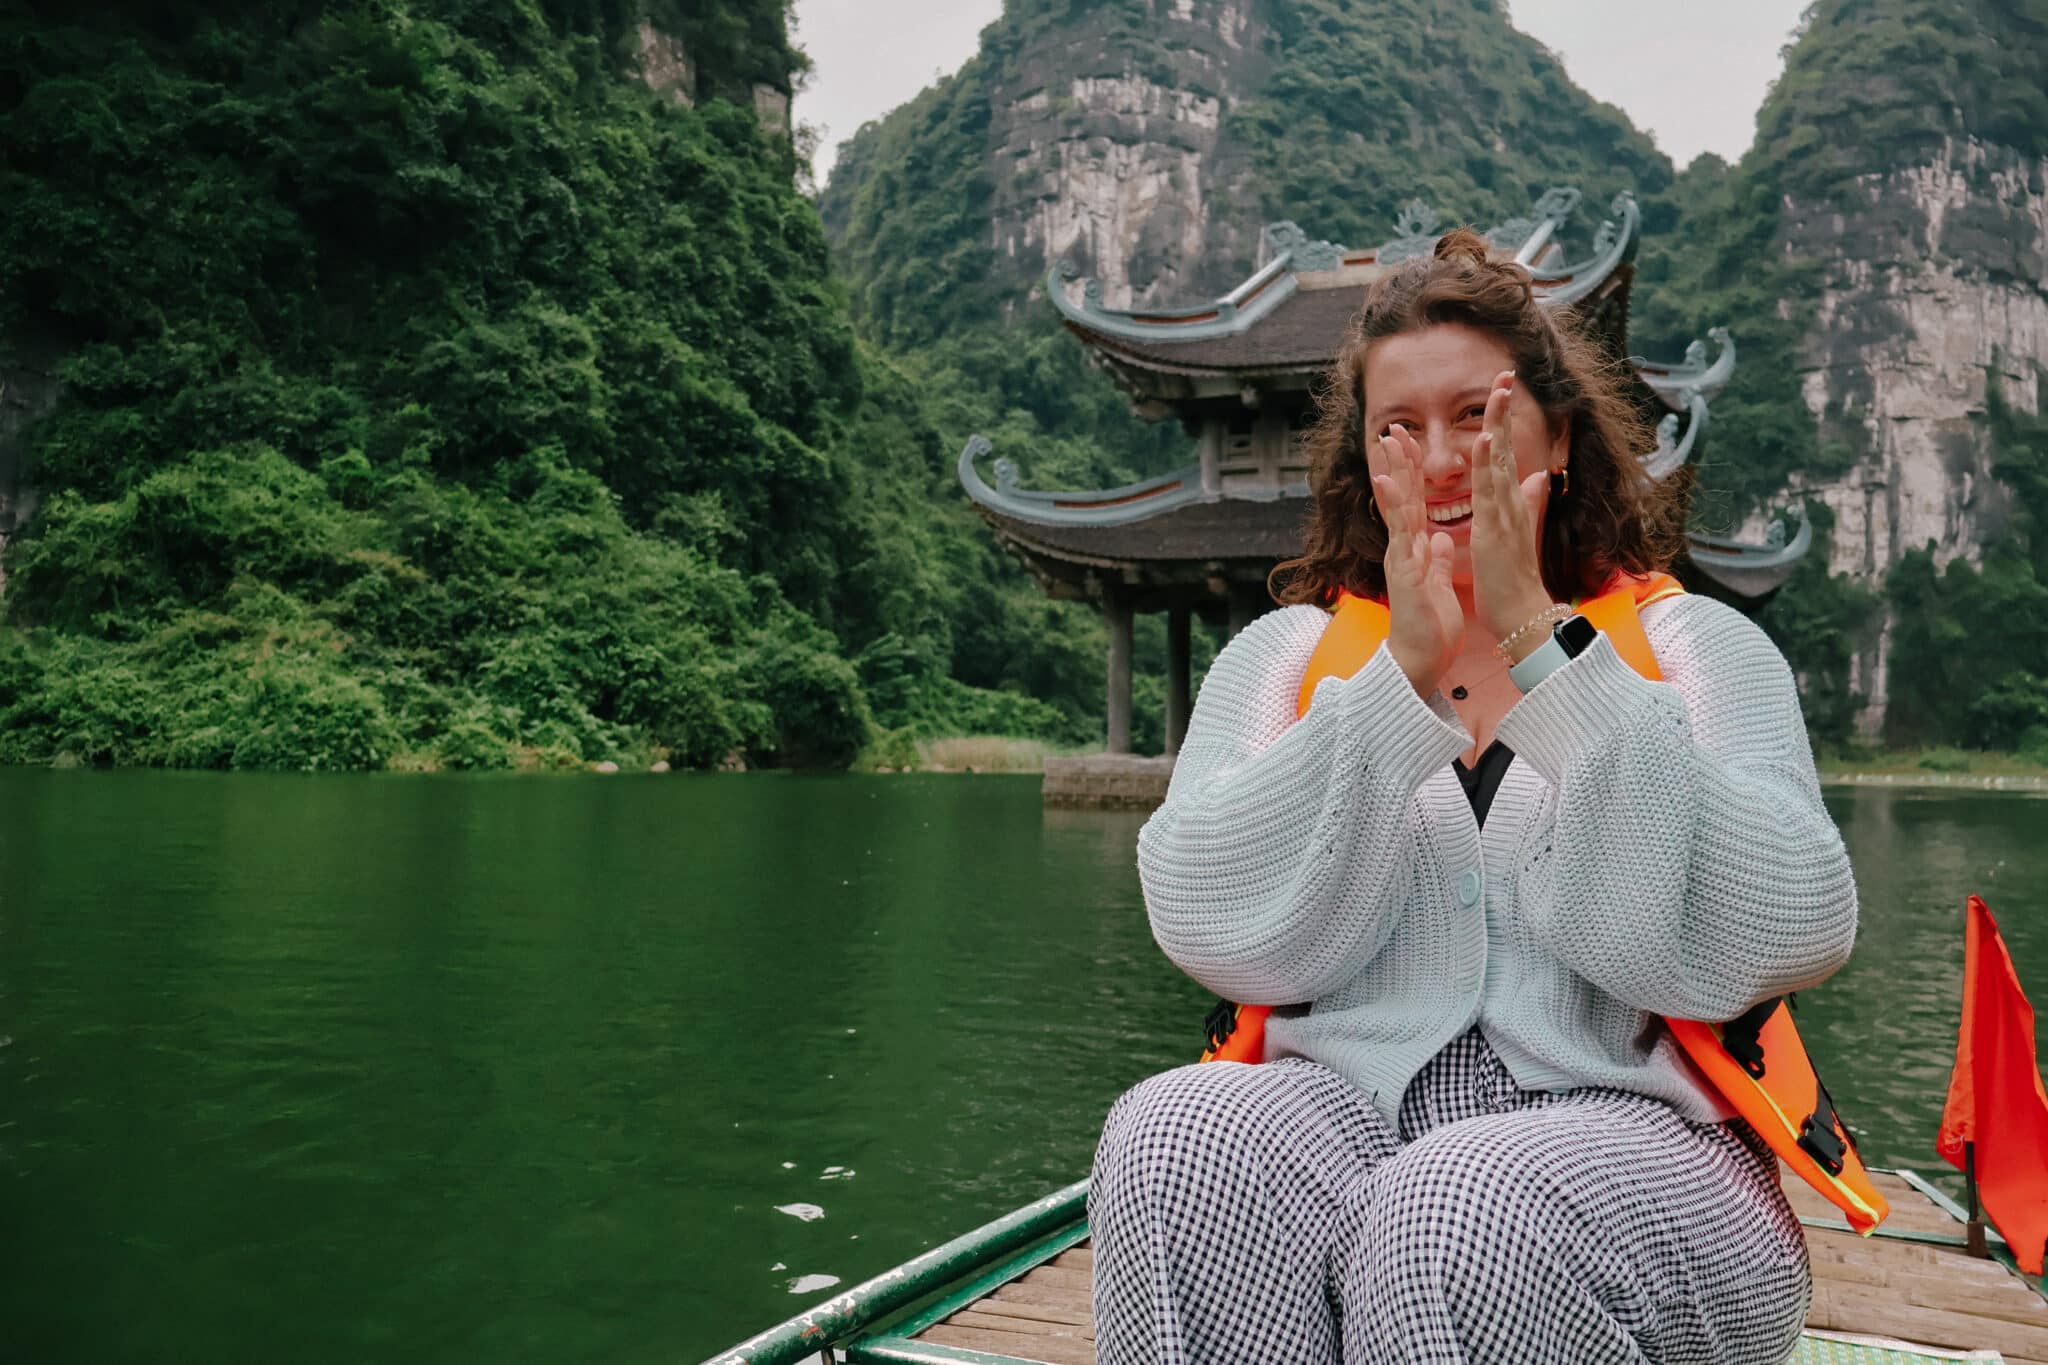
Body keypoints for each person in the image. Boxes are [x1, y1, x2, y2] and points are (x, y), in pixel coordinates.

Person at [1088, 229, 1859, 1365]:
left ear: (1555, 433)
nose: (1440, 458)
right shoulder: (1287, 660)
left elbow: (1795, 923)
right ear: (1364, 462)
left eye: (1475, 416)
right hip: (1340, 1121)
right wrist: (1391, 686)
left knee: (1455, 1207)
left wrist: (1548, 656)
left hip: (1649, 1146)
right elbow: (1216, 932)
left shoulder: (1695, 649)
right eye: (1398, 427)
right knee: (1172, 1133)